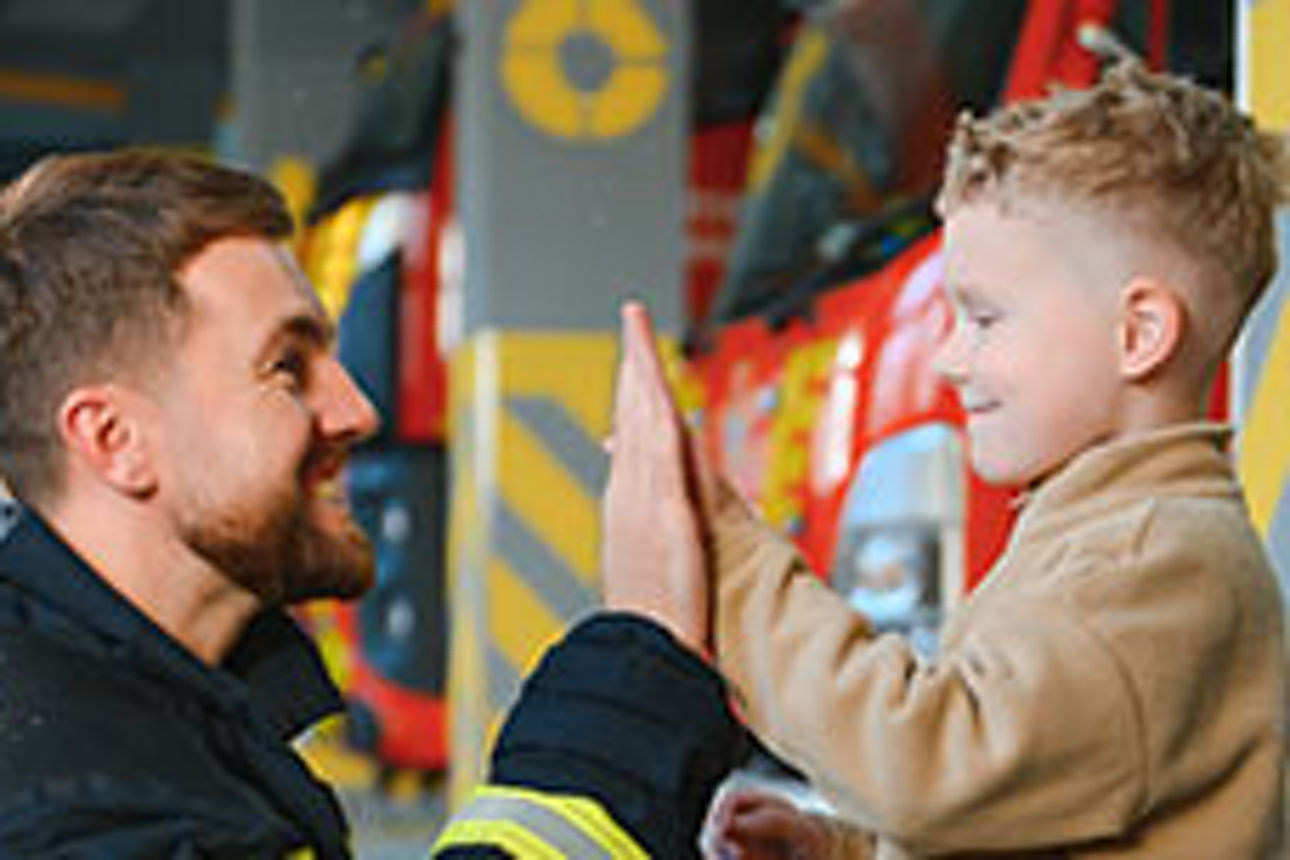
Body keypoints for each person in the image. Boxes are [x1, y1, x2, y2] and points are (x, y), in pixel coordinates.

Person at [606, 61, 1290, 858]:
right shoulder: (1102, 538)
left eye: (984, 318)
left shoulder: (1155, 566)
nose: (948, 359)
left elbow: (930, 769)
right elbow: (1021, 806)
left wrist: (725, 552)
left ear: (1138, 334)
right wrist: (844, 850)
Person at [0, 150, 747, 858]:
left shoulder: (134, 730)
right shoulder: (66, 806)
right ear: (115, 438)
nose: (357, 410)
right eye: (287, 368)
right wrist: (642, 660)